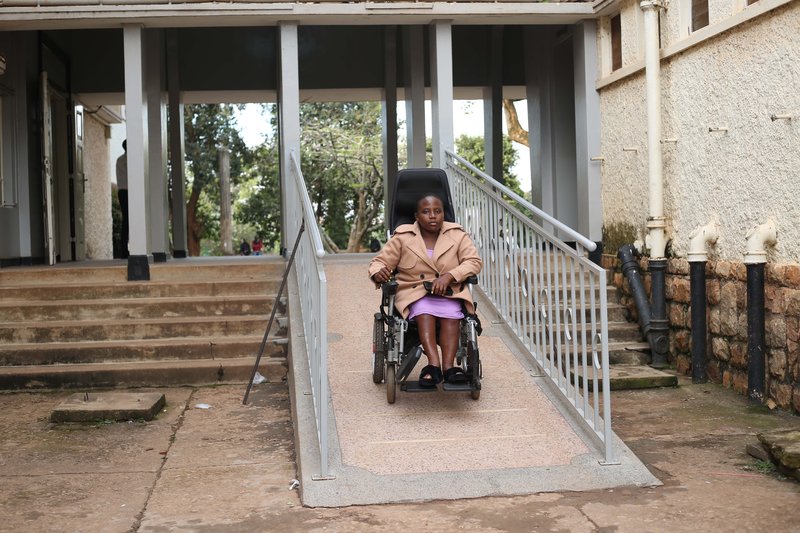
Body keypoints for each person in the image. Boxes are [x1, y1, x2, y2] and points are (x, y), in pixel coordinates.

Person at [368, 193, 482, 387]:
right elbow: (379, 262)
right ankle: (433, 365)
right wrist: (379, 272)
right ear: (416, 216)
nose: (432, 216)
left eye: (438, 211)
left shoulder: (457, 235)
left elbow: (473, 262)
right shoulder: (403, 237)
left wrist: (450, 276)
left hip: (448, 290)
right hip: (415, 291)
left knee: (452, 315)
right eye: (426, 212)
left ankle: (449, 367)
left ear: (443, 214)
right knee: (424, 310)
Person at [115, 140, 129, 258]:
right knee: (129, 220)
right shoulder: (128, 161)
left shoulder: (119, 160)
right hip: (128, 191)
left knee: (126, 220)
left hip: (122, 191)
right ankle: (125, 249)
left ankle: (124, 249)